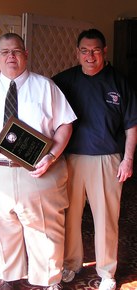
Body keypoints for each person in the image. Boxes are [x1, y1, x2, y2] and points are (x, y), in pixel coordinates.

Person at [0, 32, 77, 290]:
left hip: (38, 172)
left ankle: (48, 279)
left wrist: (52, 155)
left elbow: (65, 125)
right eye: (5, 52)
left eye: (16, 51)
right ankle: (9, 277)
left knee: (45, 231)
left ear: (25, 55)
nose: (11, 56)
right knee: (0, 230)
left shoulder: (46, 87)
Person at [52, 28, 137, 290]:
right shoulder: (63, 81)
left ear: (105, 51)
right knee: (69, 216)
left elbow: (131, 126)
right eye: (85, 51)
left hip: (108, 159)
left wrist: (128, 159)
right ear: (77, 52)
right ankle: (71, 263)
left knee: (106, 219)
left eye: (96, 50)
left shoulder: (120, 82)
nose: (91, 56)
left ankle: (107, 272)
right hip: (70, 159)